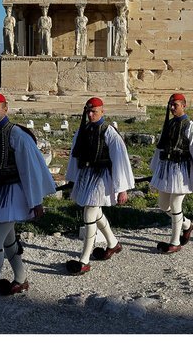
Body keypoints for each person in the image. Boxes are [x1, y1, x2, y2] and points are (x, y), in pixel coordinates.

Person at [0, 92, 57, 312]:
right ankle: (21, 279)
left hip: (14, 195)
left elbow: (29, 169)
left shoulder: (17, 135)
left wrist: (36, 201)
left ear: (6, 108)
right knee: (8, 242)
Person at [64, 97, 135, 275]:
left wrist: (122, 188)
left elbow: (120, 160)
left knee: (89, 214)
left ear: (102, 111)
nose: (90, 114)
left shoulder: (109, 132)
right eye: (88, 111)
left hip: (102, 178)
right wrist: (72, 178)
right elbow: (75, 155)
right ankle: (113, 244)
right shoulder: (83, 131)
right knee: (96, 214)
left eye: (94, 111)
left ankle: (85, 260)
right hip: (86, 175)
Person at [149, 93, 193, 253]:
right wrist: (155, 168)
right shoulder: (169, 124)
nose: (171, 108)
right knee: (163, 205)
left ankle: (175, 242)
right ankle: (187, 224)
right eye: (170, 104)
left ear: (184, 106)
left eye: (175, 105)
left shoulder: (190, 127)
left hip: (182, 171)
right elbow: (161, 147)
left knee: (176, 205)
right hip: (167, 169)